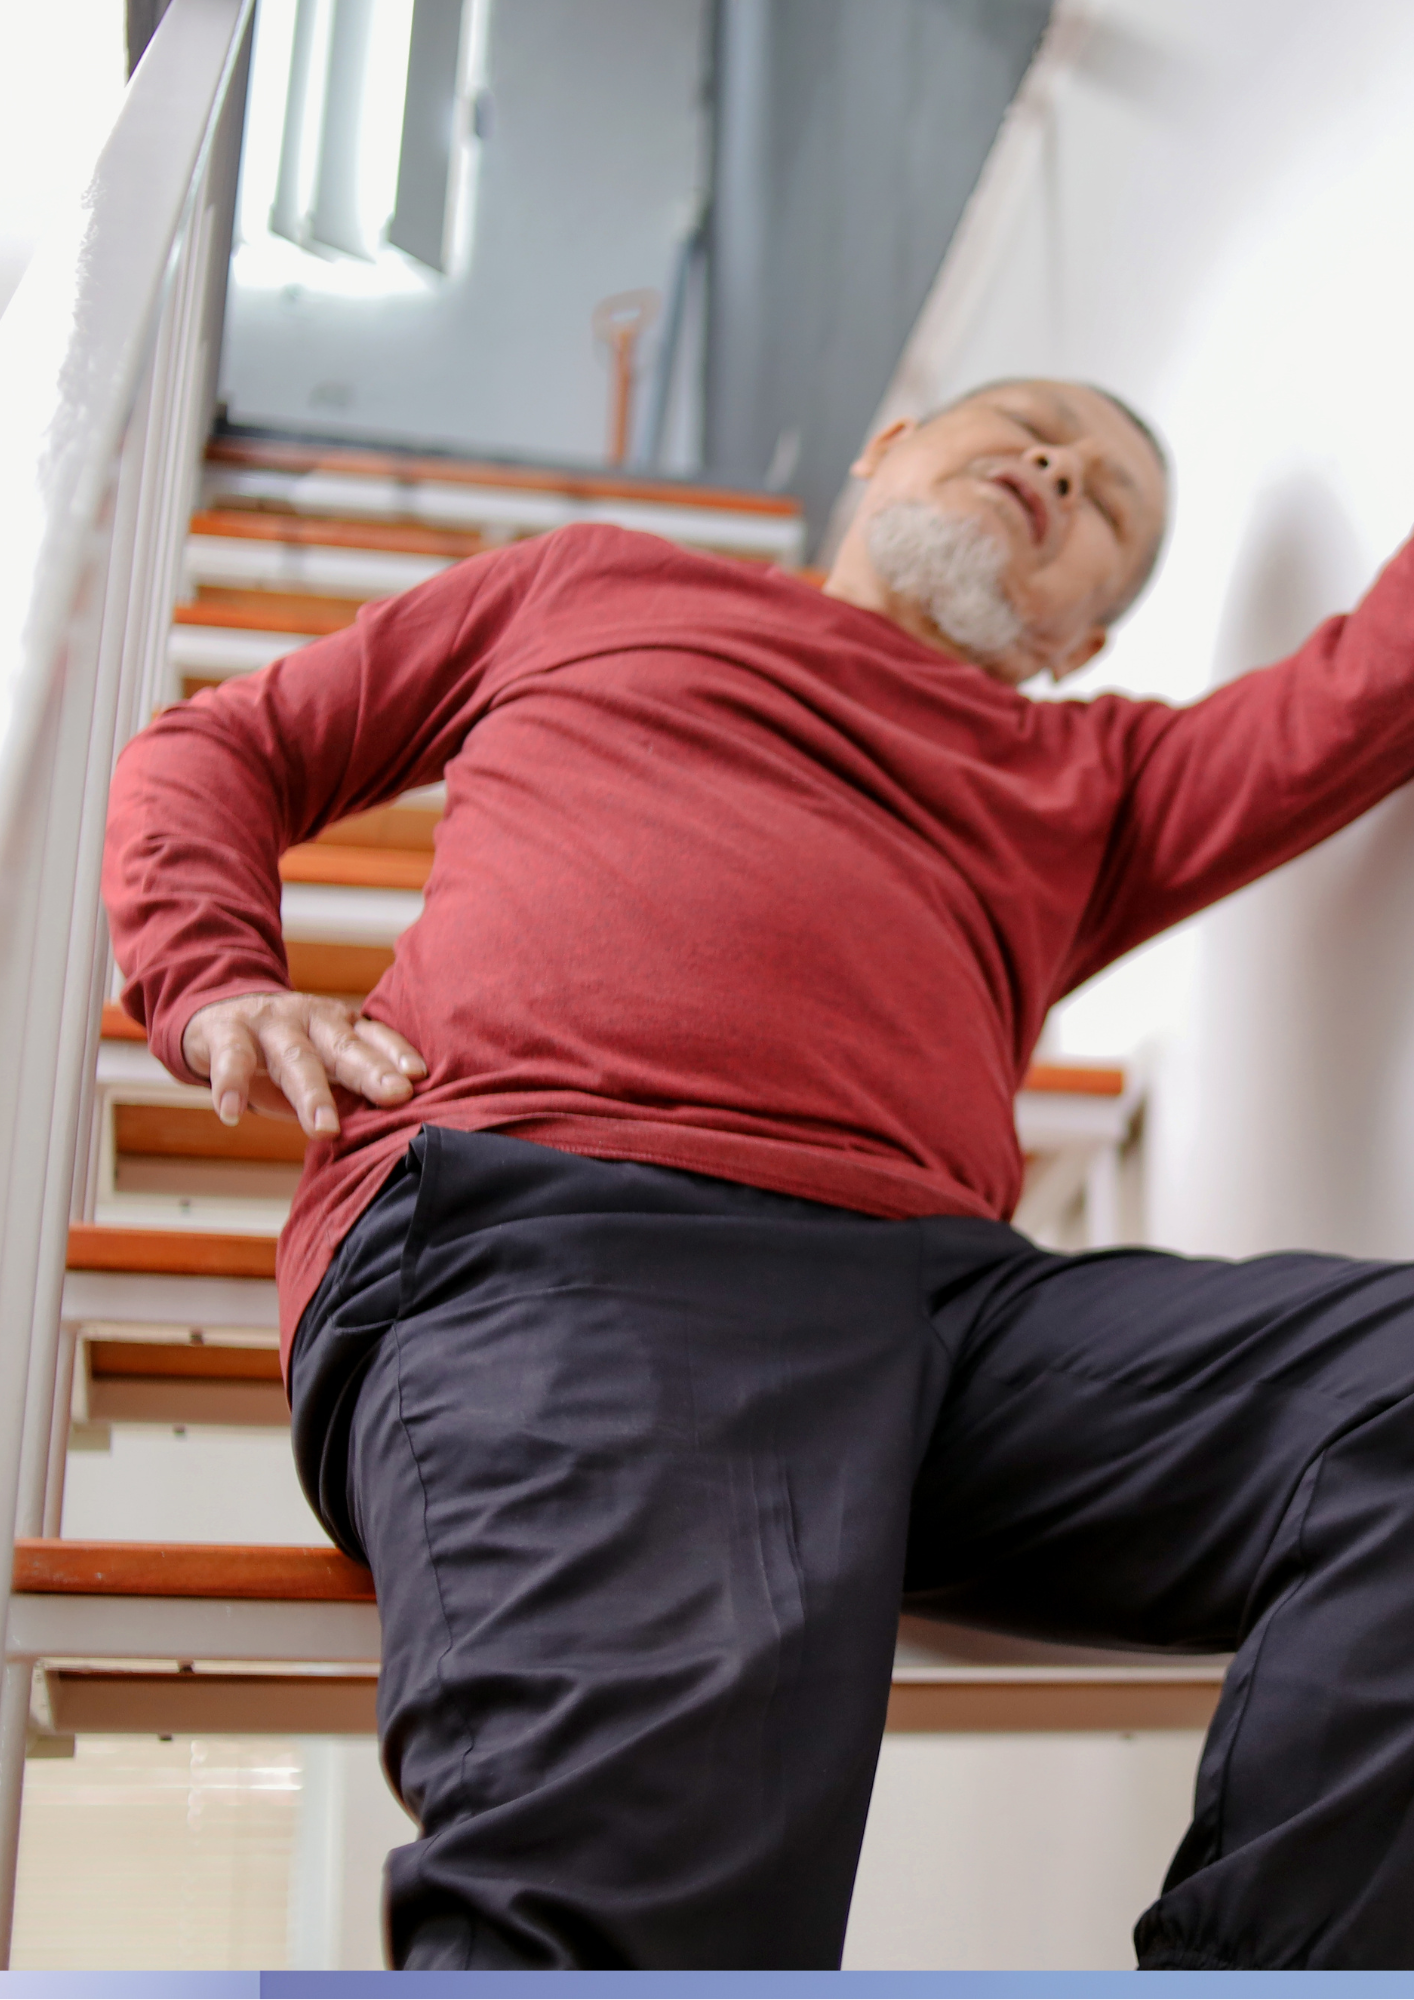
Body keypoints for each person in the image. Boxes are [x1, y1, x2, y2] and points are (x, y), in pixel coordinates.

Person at [103, 380, 1414, 1972]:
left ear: (1075, 645)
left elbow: (1364, 687)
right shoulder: (589, 583)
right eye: (1026, 426)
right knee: (643, 1902)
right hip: (564, 1225)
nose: (1060, 470)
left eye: (1111, 510)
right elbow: (228, 743)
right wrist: (213, 976)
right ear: (882, 449)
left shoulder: (1099, 784)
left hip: (952, 1318)